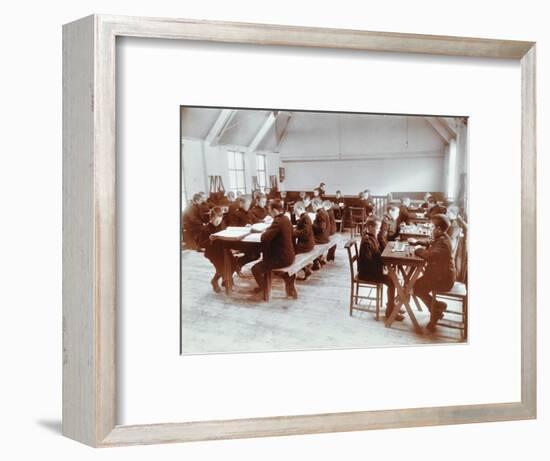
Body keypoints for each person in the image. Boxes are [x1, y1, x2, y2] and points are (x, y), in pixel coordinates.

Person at [412, 214, 457, 331]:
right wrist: (418, 242)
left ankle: (436, 309)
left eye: (432, 227)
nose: (430, 230)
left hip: (443, 280)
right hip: (440, 276)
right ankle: (436, 307)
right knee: (417, 285)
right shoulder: (442, 237)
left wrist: (417, 249)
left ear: (438, 229)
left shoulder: (443, 243)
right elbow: (431, 243)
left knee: (416, 287)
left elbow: (429, 255)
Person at [251, 199, 297, 298]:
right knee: (265, 261)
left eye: (270, 210)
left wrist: (265, 232)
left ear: (275, 211)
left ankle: (264, 288)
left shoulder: (277, 222)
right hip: (290, 255)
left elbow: (264, 238)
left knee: (255, 269)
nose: (269, 212)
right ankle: (285, 278)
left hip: (282, 259)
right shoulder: (286, 219)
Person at [357, 217, 399, 320]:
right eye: (377, 228)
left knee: (393, 277)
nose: (379, 230)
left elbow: (376, 253)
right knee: (392, 281)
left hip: (371, 270)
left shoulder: (371, 236)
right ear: (370, 227)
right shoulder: (367, 240)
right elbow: (368, 261)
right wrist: (384, 262)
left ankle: (392, 305)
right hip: (367, 273)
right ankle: (390, 312)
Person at [198, 207, 235, 293]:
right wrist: (209, 239)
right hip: (213, 253)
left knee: (233, 266)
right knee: (221, 269)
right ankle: (215, 281)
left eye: (220, 220)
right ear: (211, 218)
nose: (218, 223)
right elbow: (201, 244)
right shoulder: (206, 229)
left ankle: (224, 280)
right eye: (216, 221)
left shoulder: (222, 223)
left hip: (224, 250)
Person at [292, 201, 315, 280]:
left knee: (291, 252)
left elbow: (305, 232)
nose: (295, 213)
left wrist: (294, 232)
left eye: (296, 211)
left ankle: (293, 273)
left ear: (300, 208)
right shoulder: (304, 217)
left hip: (306, 244)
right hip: (307, 243)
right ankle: (306, 269)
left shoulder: (305, 218)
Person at [311, 198, 330, 270]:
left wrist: (312, 224)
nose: (312, 208)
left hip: (322, 238)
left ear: (316, 204)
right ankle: (319, 259)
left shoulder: (320, 213)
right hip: (325, 236)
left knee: (308, 241)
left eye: (313, 206)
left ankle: (316, 263)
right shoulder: (323, 211)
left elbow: (321, 228)